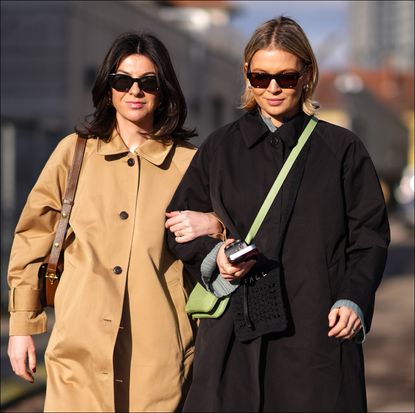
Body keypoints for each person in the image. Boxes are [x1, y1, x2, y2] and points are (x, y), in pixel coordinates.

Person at [166, 16, 390, 412]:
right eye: (260, 76)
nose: (272, 88)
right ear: (246, 74)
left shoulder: (341, 149)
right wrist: (214, 254)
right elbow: (177, 227)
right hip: (233, 337)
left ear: (307, 74)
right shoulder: (219, 148)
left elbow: (369, 236)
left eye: (285, 77)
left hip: (316, 336)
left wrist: (354, 299)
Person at [7, 32, 224, 412]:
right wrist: (23, 326)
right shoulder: (73, 153)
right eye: (122, 80)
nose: (134, 91)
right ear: (108, 87)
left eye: (148, 82)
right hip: (79, 348)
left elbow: (230, 236)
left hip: (159, 356)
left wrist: (214, 224)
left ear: (164, 90)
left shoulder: (192, 165)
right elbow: (32, 239)